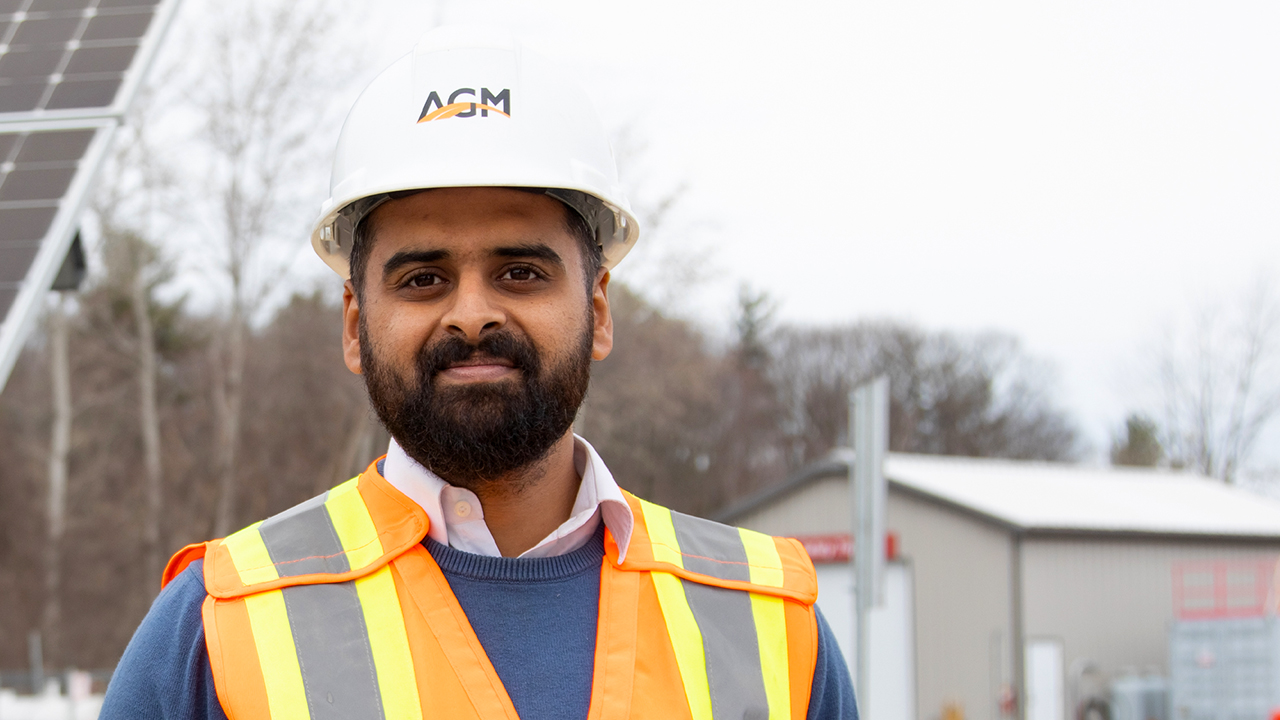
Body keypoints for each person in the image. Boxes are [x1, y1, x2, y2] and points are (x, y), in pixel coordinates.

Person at [100, 26, 857, 720]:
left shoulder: (769, 624)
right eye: (423, 279)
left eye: (521, 272)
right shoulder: (218, 625)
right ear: (356, 326)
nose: (471, 314)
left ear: (598, 307)